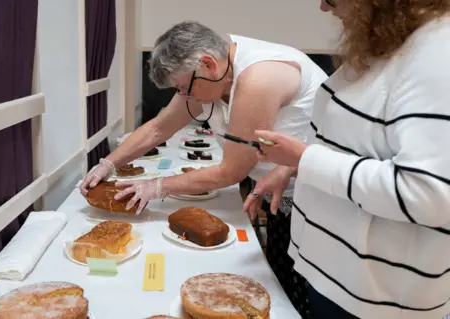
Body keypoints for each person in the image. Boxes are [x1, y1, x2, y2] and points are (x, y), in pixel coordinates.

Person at [79, 21, 328, 316]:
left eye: (184, 87)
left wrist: (156, 186)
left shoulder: (259, 77)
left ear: (208, 64)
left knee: (303, 293)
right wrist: (108, 163)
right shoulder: (212, 75)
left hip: (315, 198)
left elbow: (231, 171)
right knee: (280, 278)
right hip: (277, 192)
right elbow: (158, 128)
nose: (185, 97)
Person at [244, 1, 450, 318]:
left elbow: (427, 194)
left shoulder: (436, 51)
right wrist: (291, 166)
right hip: (337, 278)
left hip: (376, 299)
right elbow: (350, 140)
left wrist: (306, 159)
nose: (324, 7)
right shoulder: (390, 43)